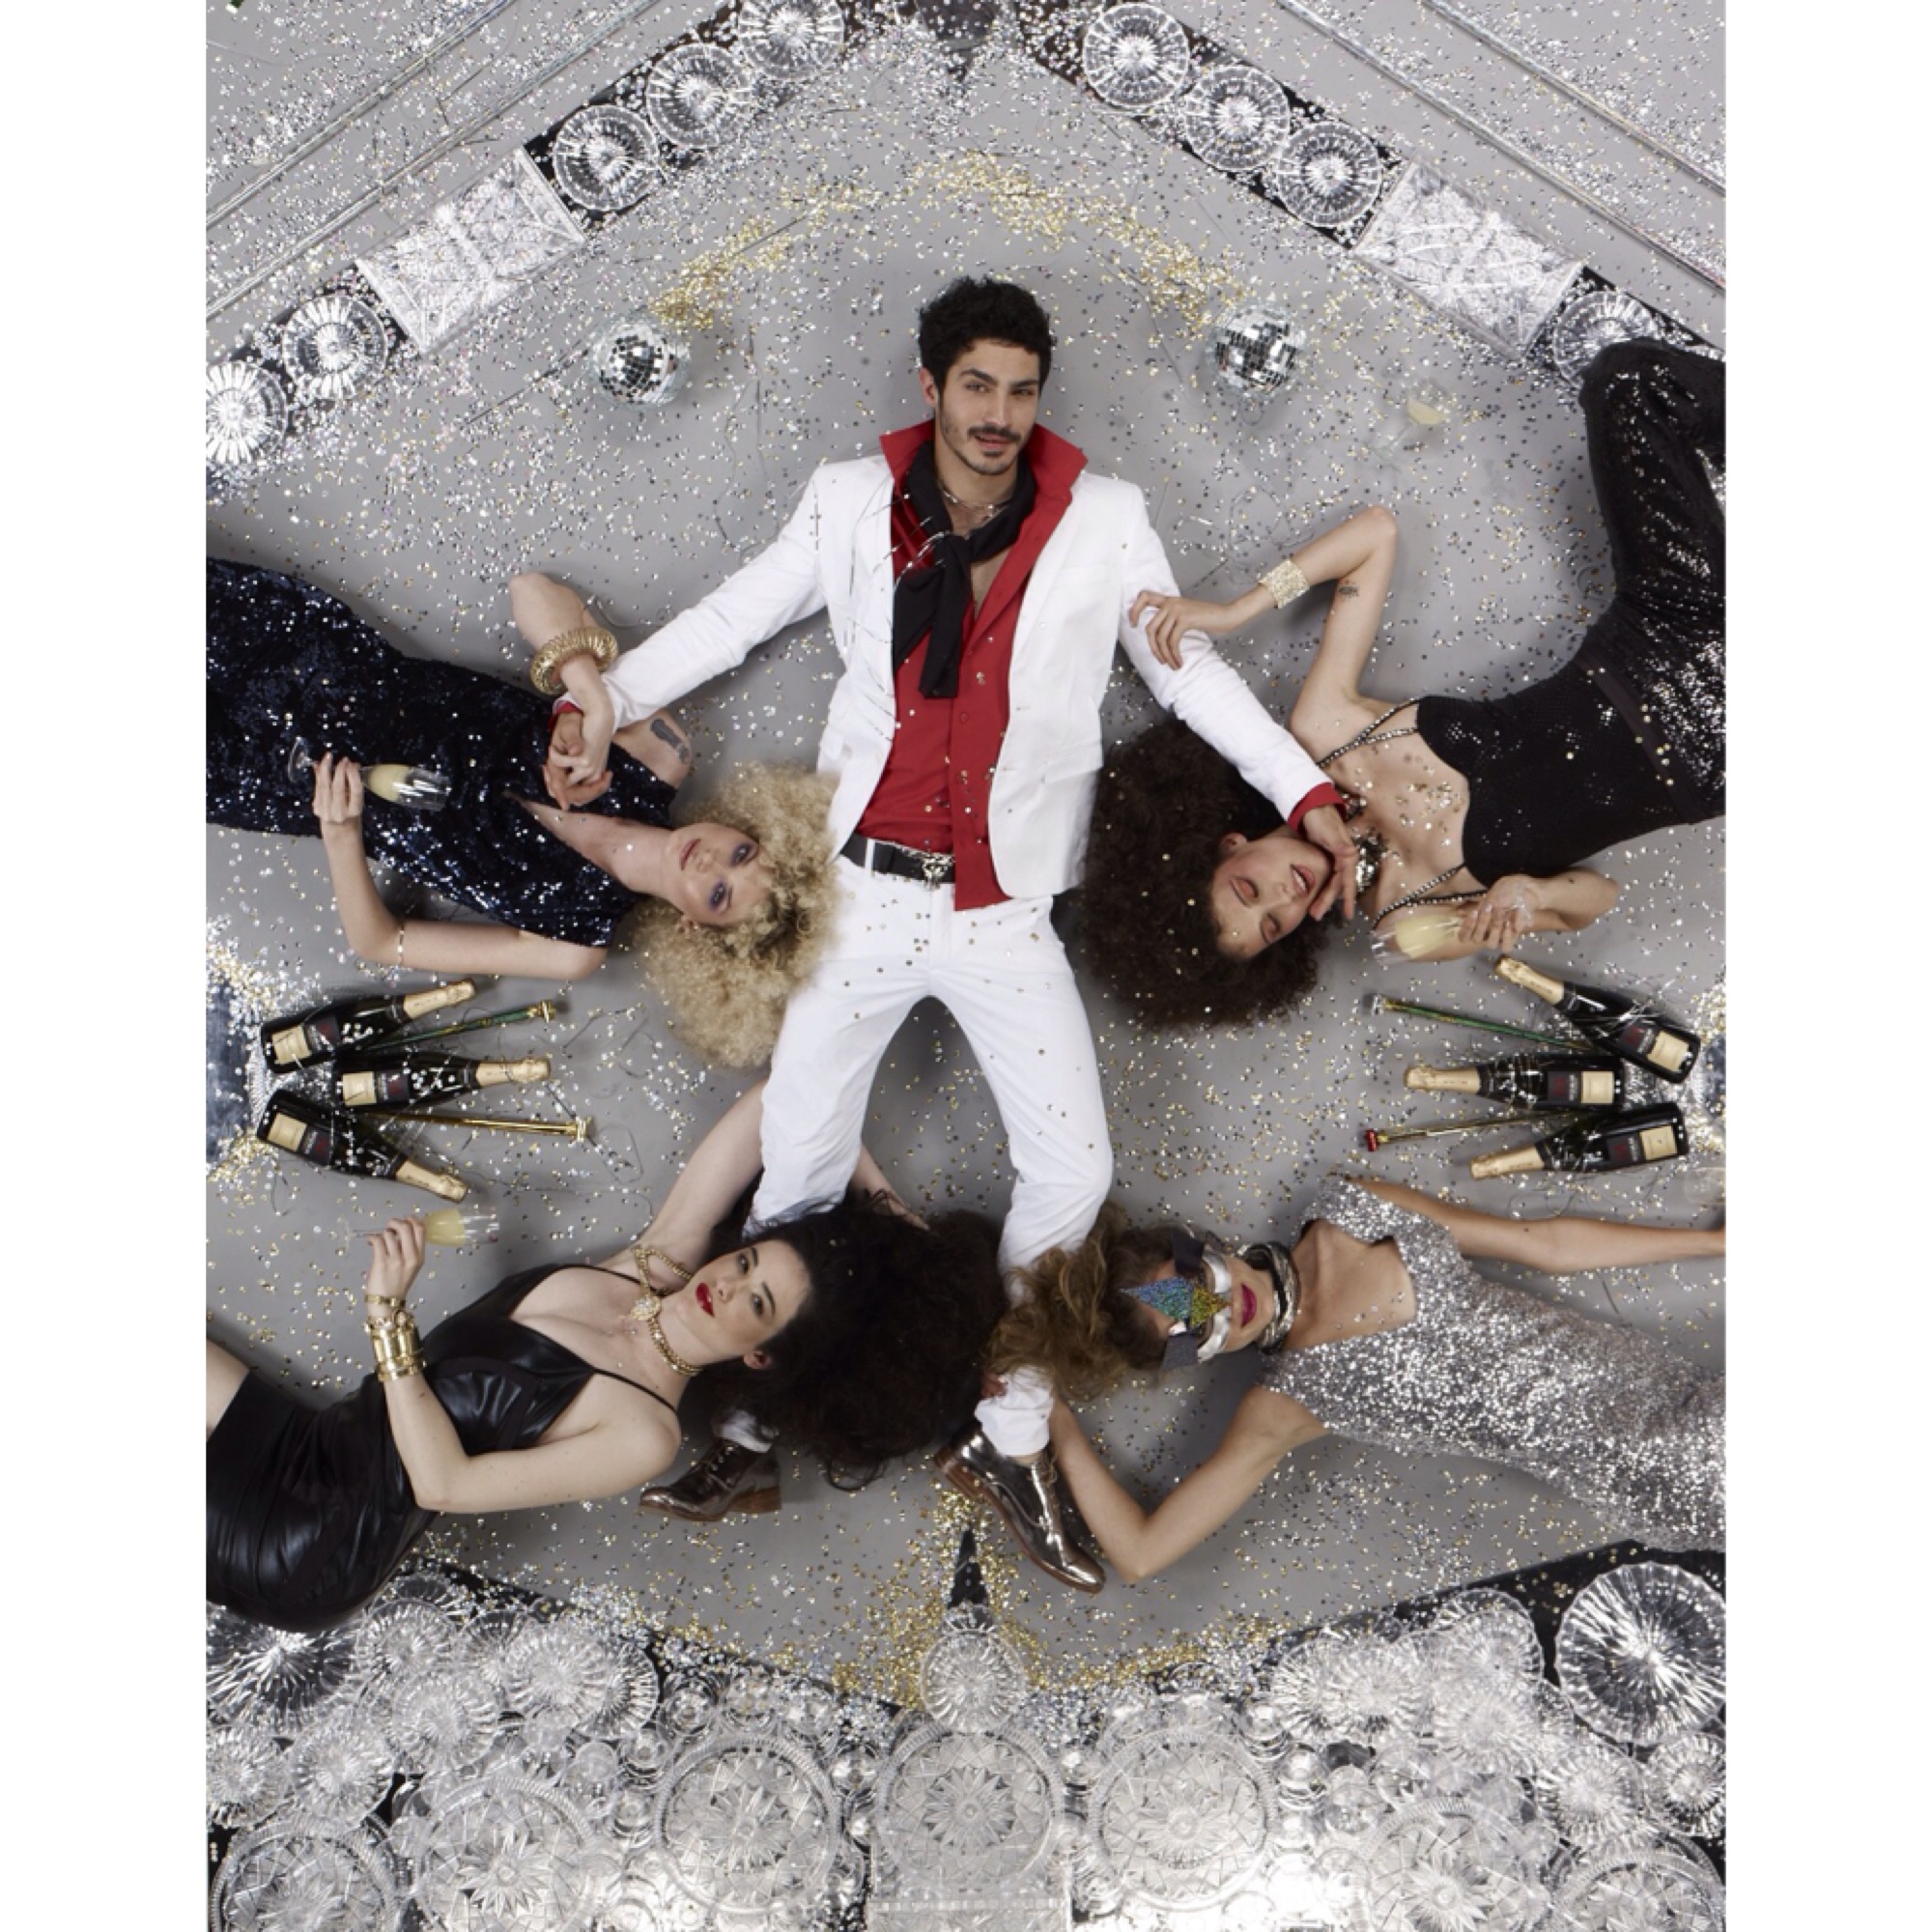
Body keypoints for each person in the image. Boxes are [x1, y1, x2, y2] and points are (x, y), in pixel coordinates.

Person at [524, 277, 1360, 1584]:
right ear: (931, 385)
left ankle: (1009, 1426)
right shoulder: (849, 500)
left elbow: (1185, 673)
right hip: (861, 894)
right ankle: (757, 1417)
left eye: (1021, 390)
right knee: (798, 1170)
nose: (999, 413)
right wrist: (604, 699)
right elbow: (740, 615)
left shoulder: (1105, 519)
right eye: (977, 385)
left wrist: (1304, 795)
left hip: (1001, 909)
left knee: (1074, 1170)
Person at [206, 1084, 1005, 1632]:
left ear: (761, 1358)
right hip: (310, 1442)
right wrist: (908, 1243)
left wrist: (387, 1316)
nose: (727, 1284)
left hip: (308, 1548)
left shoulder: (643, 1433)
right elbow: (787, 1093)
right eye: (746, 1262)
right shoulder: (656, 1262)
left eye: (757, 1304)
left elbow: (445, 1484)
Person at [1087, 339, 1723, 1027]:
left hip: (1662, 629)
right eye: (1273, 926)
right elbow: (1597, 898)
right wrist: (1528, 899)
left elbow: (1373, 537)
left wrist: (1239, 610)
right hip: (1711, 759)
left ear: (1230, 845)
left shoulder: (1324, 731)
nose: (1283, 898)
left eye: (1249, 890)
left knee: (1629, 383)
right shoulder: (1407, 922)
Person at [207, 556, 837, 1064]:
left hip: (265, 775)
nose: (711, 863)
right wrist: (589, 698)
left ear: (694, 929)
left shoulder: (574, 944)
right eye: (742, 852)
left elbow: (380, 941)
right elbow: (529, 589)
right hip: (310, 659)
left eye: (720, 894)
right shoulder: (656, 750)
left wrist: (341, 832)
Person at [987, 1172, 1722, 1588]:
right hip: (1660, 1469)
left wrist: (1717, 1240)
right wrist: (1055, 1418)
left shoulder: (1353, 1210)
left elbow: (1545, 1244)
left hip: (1681, 1389)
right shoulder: (1285, 1401)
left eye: (1197, 1286)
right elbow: (1141, 1552)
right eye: (1192, 1331)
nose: (1221, 1311)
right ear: (1194, 1361)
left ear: (1201, 1246)